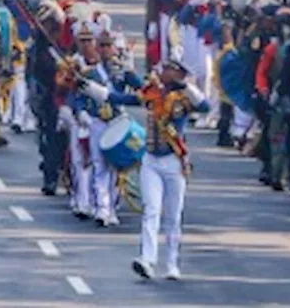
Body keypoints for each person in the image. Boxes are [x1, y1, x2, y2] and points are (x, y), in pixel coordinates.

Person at [82, 58, 207, 281]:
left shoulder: (184, 97)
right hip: (151, 159)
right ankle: (147, 259)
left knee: (173, 216)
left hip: (174, 161)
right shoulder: (152, 93)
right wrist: (90, 88)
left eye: (170, 69)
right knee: (151, 210)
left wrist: (186, 86)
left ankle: (172, 264)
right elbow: (119, 98)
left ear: (179, 73)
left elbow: (205, 106)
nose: (164, 72)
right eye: (165, 68)